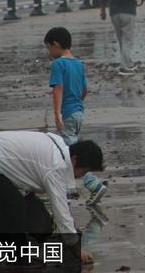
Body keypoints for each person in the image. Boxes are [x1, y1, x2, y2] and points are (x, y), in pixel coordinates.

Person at [0, 130, 102, 264]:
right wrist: (78, 252)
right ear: (75, 159)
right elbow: (62, 214)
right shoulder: (56, 167)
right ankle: (18, 259)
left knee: (32, 217)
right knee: (14, 206)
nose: (82, 176)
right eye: (85, 171)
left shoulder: (59, 146)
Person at [44, 26, 107, 206]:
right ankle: (69, 188)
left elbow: (58, 89)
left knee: (66, 152)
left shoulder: (58, 64)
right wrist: (77, 104)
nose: (49, 52)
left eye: (49, 47)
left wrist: (57, 114)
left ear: (56, 45)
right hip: (78, 113)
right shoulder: (78, 64)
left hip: (68, 114)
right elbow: (85, 89)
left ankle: (93, 185)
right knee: (69, 151)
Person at [100, 0, 141, 75]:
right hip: (128, 12)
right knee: (128, 40)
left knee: (121, 40)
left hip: (114, 13)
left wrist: (102, 11)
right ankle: (124, 67)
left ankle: (127, 63)